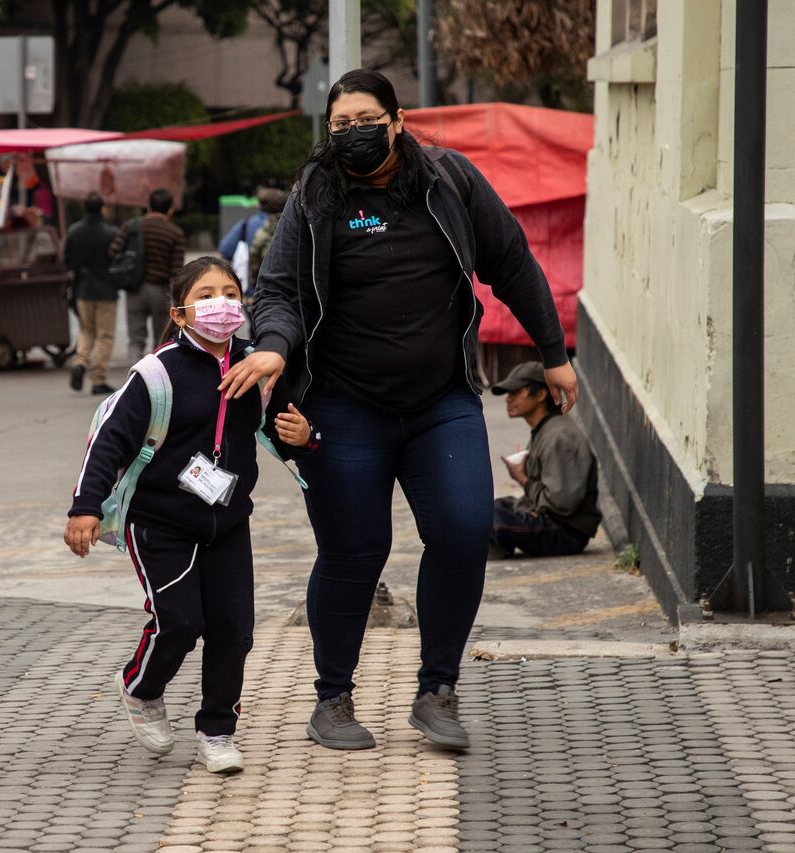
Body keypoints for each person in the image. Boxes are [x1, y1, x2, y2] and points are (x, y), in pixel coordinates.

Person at [219, 69, 577, 754]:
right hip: (344, 405)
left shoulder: (449, 181)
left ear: (397, 118)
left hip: (440, 399)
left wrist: (554, 351)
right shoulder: (315, 194)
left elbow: (511, 260)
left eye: (364, 119)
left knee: (464, 529)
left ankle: (436, 689)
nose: (351, 133)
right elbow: (279, 291)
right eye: (338, 124)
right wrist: (271, 348)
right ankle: (332, 698)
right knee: (355, 549)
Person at [65, 257, 317, 775]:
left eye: (230, 292)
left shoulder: (260, 365)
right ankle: (141, 688)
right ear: (180, 314)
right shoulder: (156, 373)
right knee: (179, 622)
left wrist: (307, 439)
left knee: (234, 629)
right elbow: (109, 440)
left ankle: (217, 730)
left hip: (227, 521)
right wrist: (86, 507)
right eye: (206, 294)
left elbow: (289, 426)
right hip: (159, 521)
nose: (221, 304)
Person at [490, 361, 601, 557]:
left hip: (565, 532)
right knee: (489, 507)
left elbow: (561, 503)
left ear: (541, 394)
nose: (509, 399)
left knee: (494, 519)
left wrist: (522, 479)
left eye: (516, 392)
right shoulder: (544, 430)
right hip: (549, 518)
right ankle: (490, 544)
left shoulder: (559, 436)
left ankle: (489, 545)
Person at [112, 188, 185, 363]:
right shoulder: (175, 233)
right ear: (170, 210)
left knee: (136, 338)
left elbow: (114, 250)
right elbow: (177, 270)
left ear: (148, 207)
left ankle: (134, 375)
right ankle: (158, 374)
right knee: (162, 338)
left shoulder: (130, 227)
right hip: (160, 291)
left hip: (134, 289)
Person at [64, 193, 120, 395]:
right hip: (106, 289)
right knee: (105, 335)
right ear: (102, 208)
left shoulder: (74, 231)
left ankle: (79, 362)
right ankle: (98, 379)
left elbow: (68, 260)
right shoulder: (111, 232)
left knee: (87, 331)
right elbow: (117, 259)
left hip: (83, 289)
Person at [247, 189, 288, 296]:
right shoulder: (297, 224)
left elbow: (254, 256)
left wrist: (255, 281)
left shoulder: (262, 228)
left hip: (267, 286)